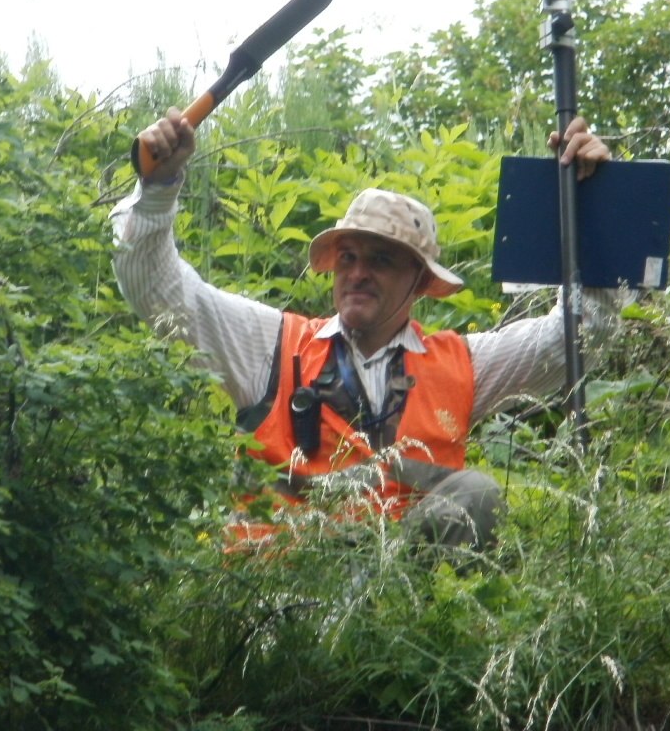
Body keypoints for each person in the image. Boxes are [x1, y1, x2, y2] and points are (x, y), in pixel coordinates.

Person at [110, 108, 618, 551]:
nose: (357, 272)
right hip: (278, 602)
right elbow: (161, 295)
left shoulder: (461, 364)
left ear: (419, 281)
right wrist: (158, 190)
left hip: (399, 610)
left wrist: (589, 205)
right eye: (347, 257)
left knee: (476, 494)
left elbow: (578, 339)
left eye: (380, 260)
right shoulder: (272, 345)